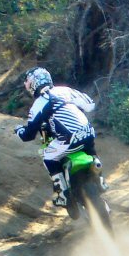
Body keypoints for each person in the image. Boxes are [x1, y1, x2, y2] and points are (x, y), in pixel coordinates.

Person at [13, 67, 97, 207]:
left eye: (28, 83)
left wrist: (19, 130)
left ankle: (62, 194)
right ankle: (98, 175)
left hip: (69, 139)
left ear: (33, 84)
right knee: (90, 145)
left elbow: (28, 135)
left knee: (48, 157)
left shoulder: (39, 104)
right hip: (88, 132)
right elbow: (90, 105)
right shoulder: (65, 90)